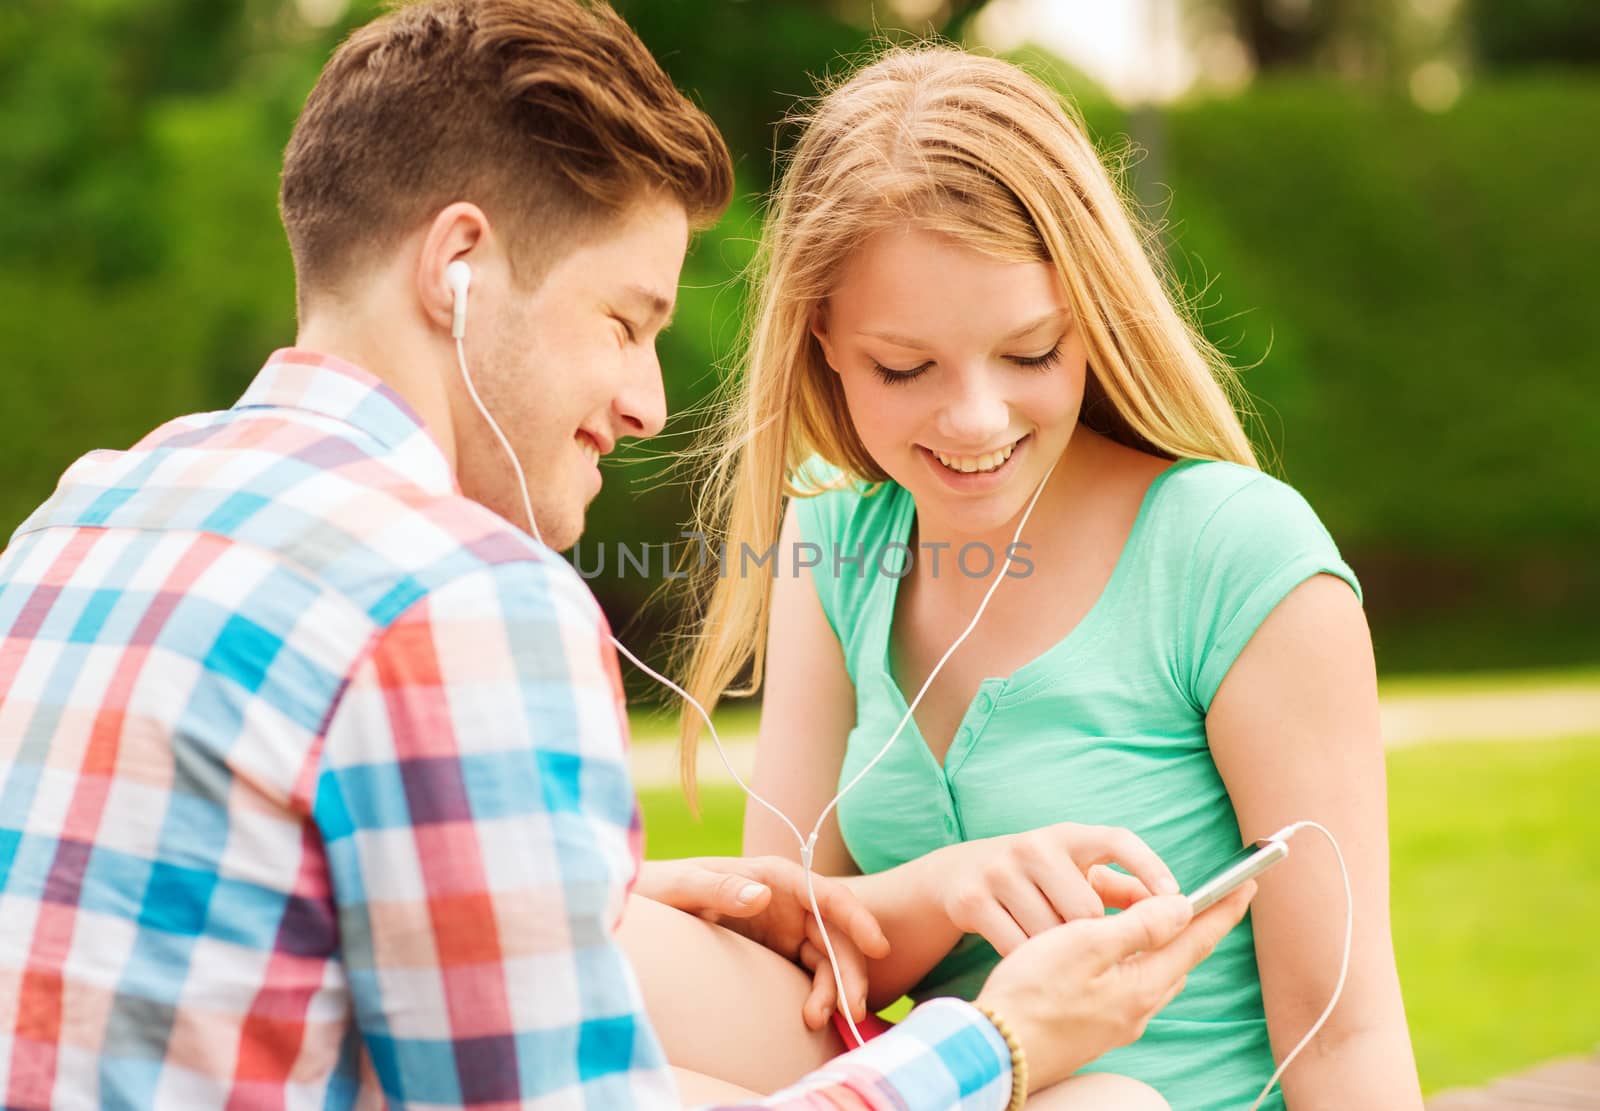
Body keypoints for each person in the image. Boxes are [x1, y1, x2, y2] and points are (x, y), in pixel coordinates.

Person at [0, 3, 1254, 1108]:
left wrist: (615, 895)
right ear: (458, 267)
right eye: (624, 319)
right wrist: (999, 1044)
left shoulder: (81, 521)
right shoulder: (463, 601)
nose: (651, 400)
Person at [661, 45, 1425, 1110]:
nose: (974, 420)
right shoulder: (831, 539)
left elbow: (1344, 1028)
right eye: (905, 366)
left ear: (1091, 315)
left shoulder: (1231, 554)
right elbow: (800, 955)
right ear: (821, 337)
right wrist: (949, 891)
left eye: (1028, 353)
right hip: (936, 1084)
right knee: (622, 949)